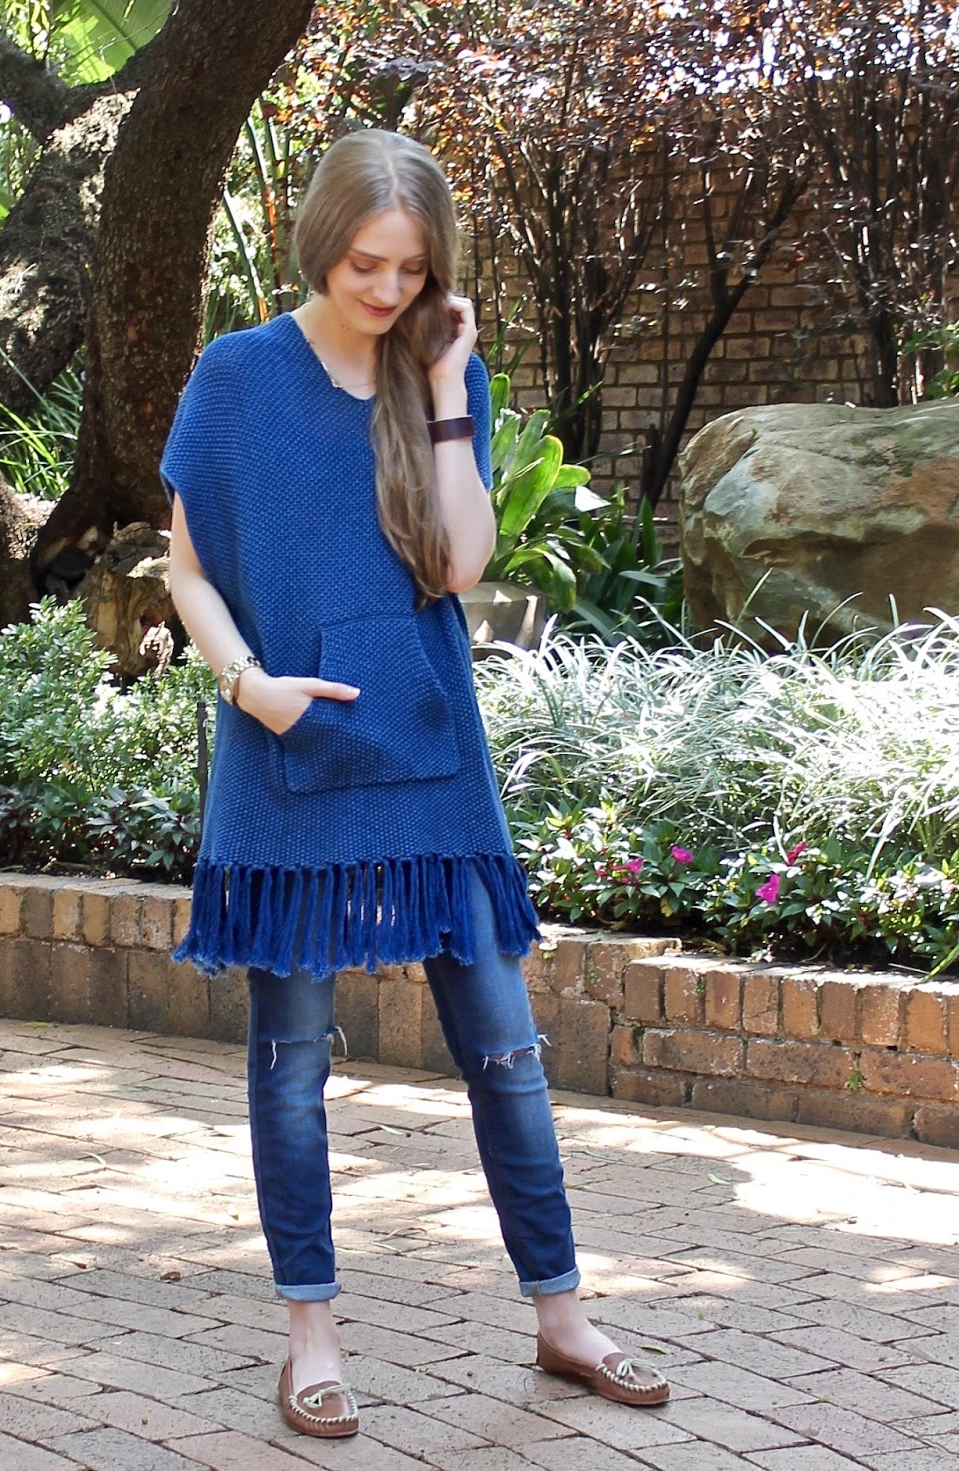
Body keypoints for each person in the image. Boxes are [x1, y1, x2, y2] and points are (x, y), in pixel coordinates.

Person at [160, 128, 668, 1441]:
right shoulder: (237, 376)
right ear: (319, 245)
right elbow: (187, 570)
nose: (387, 290)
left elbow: (458, 567)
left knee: (506, 1050)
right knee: (291, 1064)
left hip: (433, 760)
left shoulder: (445, 372)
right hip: (287, 752)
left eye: (411, 269)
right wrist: (249, 686)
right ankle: (311, 1338)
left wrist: (444, 388)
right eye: (365, 265)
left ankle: (563, 1317)